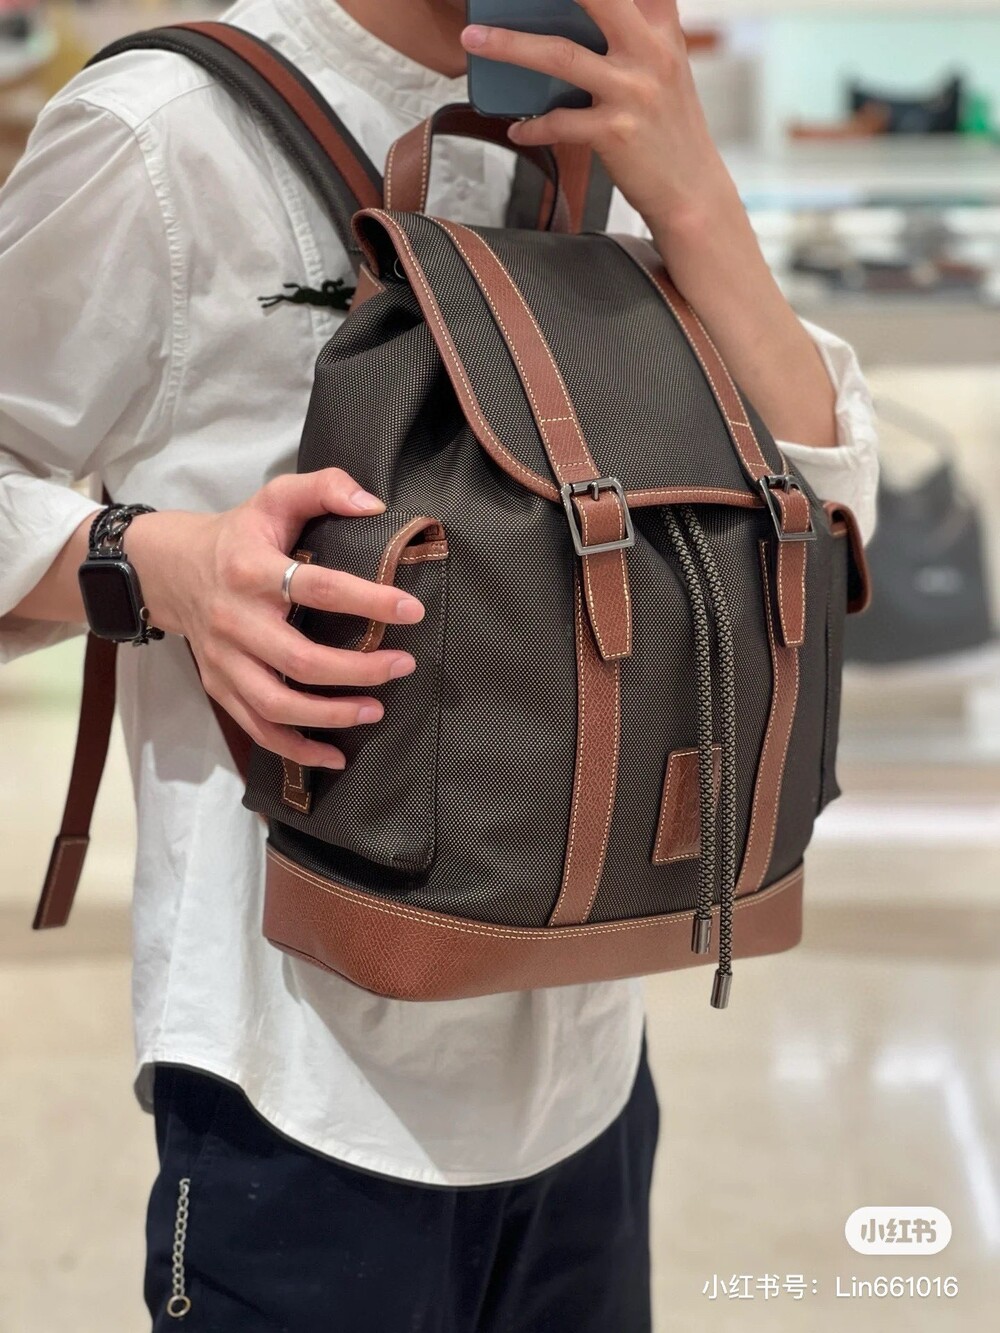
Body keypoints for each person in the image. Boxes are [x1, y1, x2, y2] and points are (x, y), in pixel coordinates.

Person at [0, 1, 880, 1328]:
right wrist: (157, 562)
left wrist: (693, 196)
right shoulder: (165, 133)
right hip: (294, 1085)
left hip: (588, 1060)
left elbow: (824, 516)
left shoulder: (607, 112)